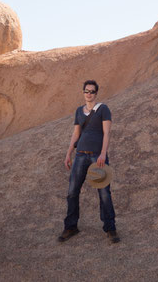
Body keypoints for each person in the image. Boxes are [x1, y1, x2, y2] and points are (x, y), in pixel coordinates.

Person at [58, 80, 120, 244]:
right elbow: (76, 133)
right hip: (80, 156)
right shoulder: (79, 111)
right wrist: (68, 153)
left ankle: (110, 228)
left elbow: (107, 134)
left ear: (96, 93)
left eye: (92, 91)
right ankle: (71, 226)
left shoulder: (103, 109)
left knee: (104, 193)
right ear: (83, 92)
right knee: (72, 192)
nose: (89, 94)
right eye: (86, 91)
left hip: (96, 156)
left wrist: (102, 154)